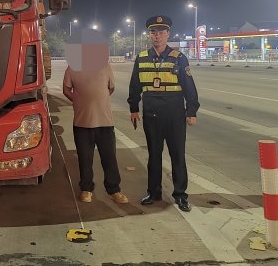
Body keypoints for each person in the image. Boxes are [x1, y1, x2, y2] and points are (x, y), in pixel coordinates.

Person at [127, 15, 200, 212]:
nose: (157, 35)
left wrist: (191, 110)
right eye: (153, 32)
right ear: (149, 34)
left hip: (175, 115)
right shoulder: (142, 58)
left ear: (168, 34)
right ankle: (154, 192)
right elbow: (135, 86)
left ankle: (180, 195)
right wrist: (134, 108)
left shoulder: (179, 58)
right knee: (154, 156)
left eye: (160, 32)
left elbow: (189, 87)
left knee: (178, 156)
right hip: (151, 116)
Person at [63, 52, 129, 205]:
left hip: (105, 122)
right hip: (82, 123)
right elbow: (66, 89)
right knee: (85, 159)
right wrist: (78, 100)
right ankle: (86, 189)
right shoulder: (72, 67)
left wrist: (98, 99)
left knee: (109, 158)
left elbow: (111, 88)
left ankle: (114, 190)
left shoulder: (105, 66)